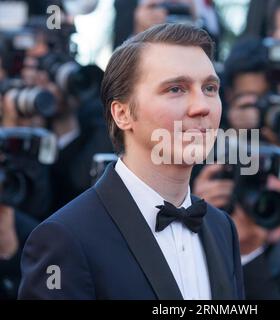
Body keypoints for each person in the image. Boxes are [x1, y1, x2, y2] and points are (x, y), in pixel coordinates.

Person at [18, 23, 244, 300]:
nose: (202, 106)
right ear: (122, 113)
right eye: (176, 89)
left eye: (210, 88)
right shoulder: (66, 238)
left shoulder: (222, 228)